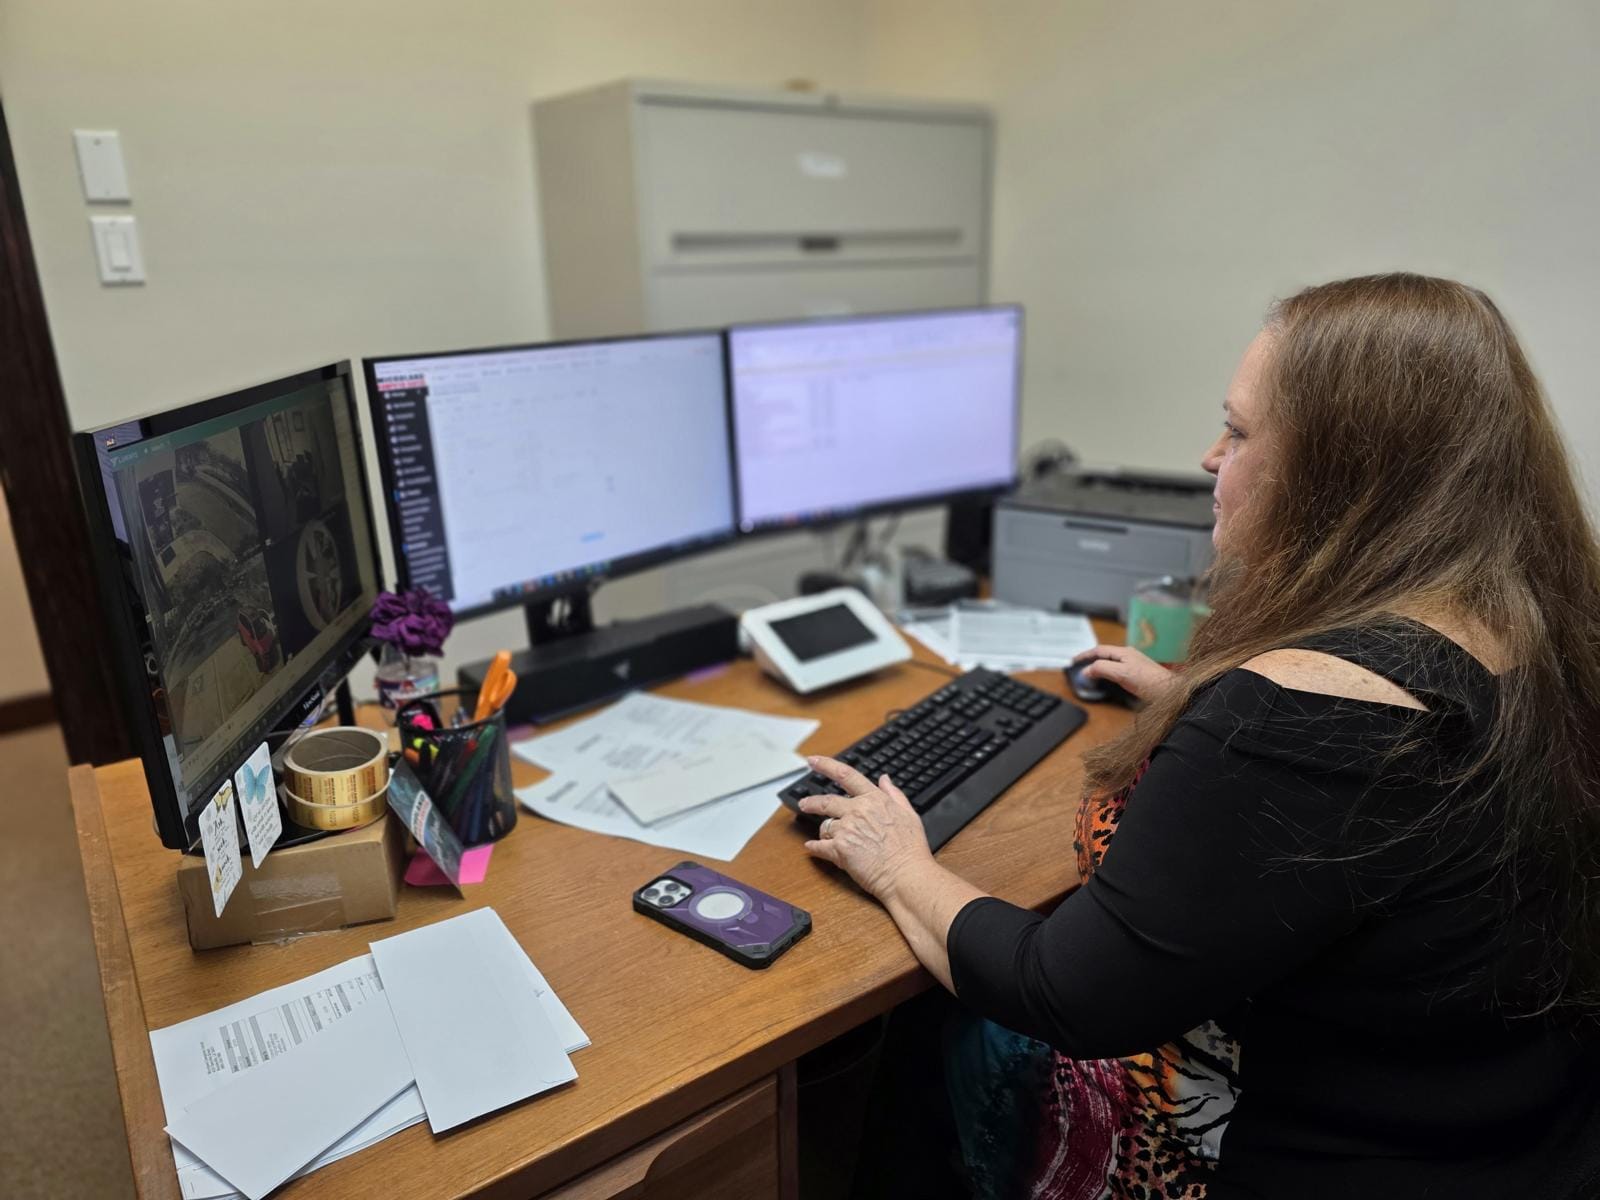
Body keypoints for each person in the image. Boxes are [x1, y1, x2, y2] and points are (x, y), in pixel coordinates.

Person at [799, 274, 1600, 1198]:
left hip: (1289, 1157)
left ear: (1344, 471)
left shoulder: (1295, 717)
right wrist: (1197, 701)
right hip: (1509, 1137)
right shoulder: (1534, 634)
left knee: (930, 1030)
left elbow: (1065, 996)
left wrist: (900, 862)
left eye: (1242, 430)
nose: (1211, 455)